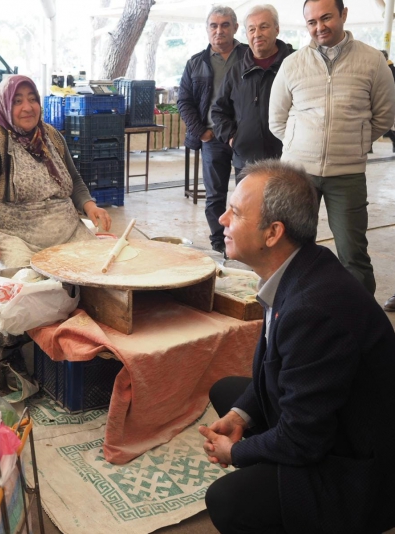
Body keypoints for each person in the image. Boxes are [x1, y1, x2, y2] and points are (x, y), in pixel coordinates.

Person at [199, 159, 395, 533]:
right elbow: (277, 367)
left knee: (227, 501)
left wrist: (236, 452)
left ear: (272, 233)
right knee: (230, 394)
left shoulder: (313, 310)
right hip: (333, 421)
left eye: (236, 213)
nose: (223, 220)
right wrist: (241, 418)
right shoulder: (301, 265)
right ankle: (270, 461)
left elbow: (304, 438)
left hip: (361, 465)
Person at [0, 75, 111, 325]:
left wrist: (89, 205)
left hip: (67, 231)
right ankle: (23, 347)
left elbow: (74, 179)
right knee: (27, 288)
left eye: (32, 99)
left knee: (100, 269)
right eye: (17, 101)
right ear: (5, 106)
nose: (27, 107)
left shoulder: (51, 136)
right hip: (16, 236)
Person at [268, 0, 395, 294]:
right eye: (311, 22)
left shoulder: (372, 61)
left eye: (326, 18)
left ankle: (360, 328)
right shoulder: (293, 64)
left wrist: (356, 142)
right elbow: (276, 120)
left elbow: (384, 115)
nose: (319, 27)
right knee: (292, 250)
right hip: (298, 176)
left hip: (346, 174)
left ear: (343, 15)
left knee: (353, 254)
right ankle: (292, 313)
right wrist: (300, 145)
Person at [178, 5, 247, 256]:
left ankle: (243, 239)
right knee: (215, 194)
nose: (219, 30)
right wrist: (202, 132)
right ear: (207, 29)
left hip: (243, 138)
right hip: (212, 138)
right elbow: (184, 101)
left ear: (236, 28)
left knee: (247, 194)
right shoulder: (196, 63)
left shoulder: (249, 57)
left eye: (225, 25)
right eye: (214, 26)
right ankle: (219, 240)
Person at [211, 5, 290, 176]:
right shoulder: (236, 71)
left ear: (277, 29)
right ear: (246, 34)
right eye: (252, 29)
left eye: (264, 27)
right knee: (248, 204)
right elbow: (218, 111)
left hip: (287, 161)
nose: (257, 34)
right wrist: (233, 138)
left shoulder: (293, 64)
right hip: (246, 162)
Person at [379, 49, 395, 153]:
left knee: (387, 125)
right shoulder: (380, 69)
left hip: (389, 101)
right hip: (381, 100)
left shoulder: (391, 69)